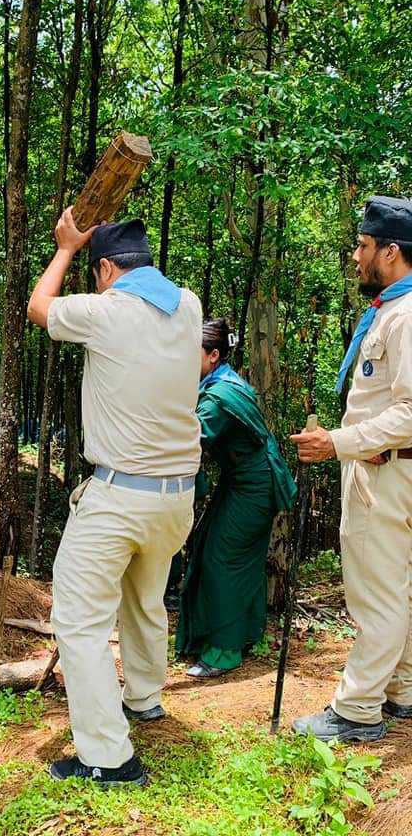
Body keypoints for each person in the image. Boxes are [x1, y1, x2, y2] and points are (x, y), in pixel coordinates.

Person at [28, 209, 202, 786]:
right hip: (177, 497)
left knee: (77, 621)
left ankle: (106, 754)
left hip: (119, 495)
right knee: (146, 597)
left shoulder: (104, 312)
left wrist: (63, 249)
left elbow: (38, 308)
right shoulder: (189, 305)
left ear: (105, 269)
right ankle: (145, 697)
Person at [292, 195, 412, 743]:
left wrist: (337, 442)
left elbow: (409, 412)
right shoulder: (391, 310)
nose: (356, 256)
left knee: (376, 594)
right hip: (386, 469)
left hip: (382, 473)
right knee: (398, 589)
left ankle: (358, 708)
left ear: (391, 251)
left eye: (364, 246)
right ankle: (401, 689)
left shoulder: (405, 316)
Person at [175, 319, 296, 678]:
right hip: (243, 480)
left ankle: (224, 652)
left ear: (213, 356)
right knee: (225, 552)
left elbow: (189, 443)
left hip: (254, 485)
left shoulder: (218, 398)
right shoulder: (221, 382)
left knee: (222, 559)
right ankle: (239, 635)